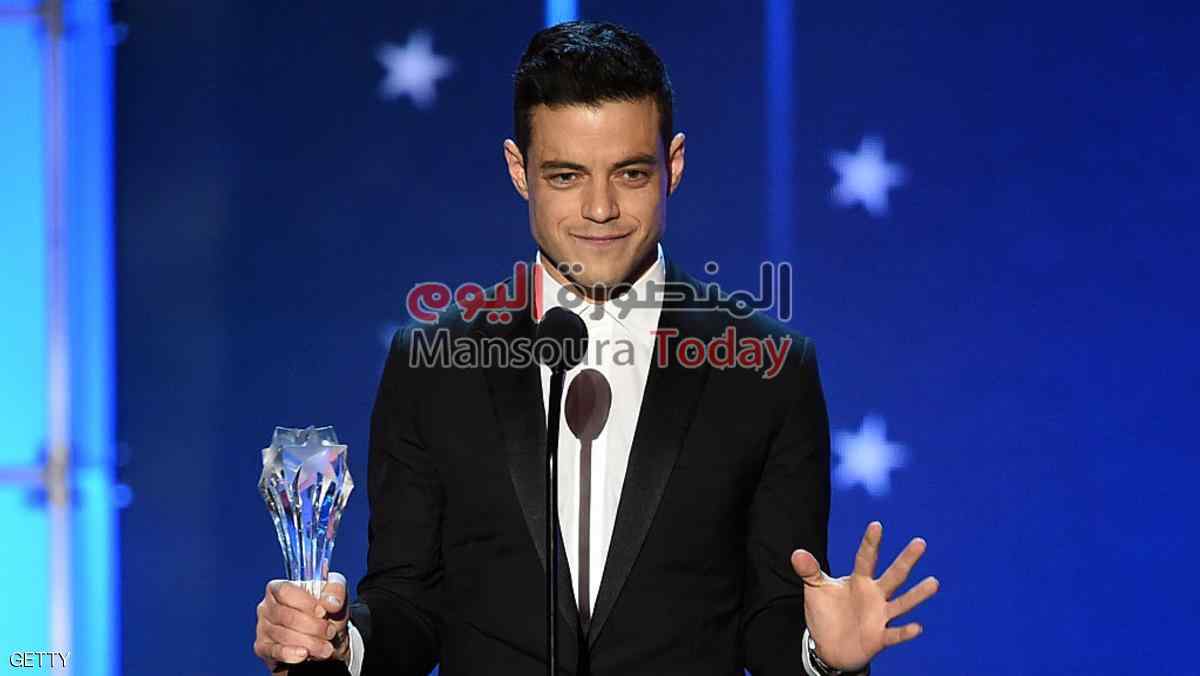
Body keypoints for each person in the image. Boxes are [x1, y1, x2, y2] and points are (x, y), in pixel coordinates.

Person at [253, 20, 938, 676]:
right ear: (519, 170)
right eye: (566, 176)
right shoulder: (432, 364)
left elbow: (773, 618)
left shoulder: (768, 370)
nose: (601, 208)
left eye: (630, 173)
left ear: (673, 165)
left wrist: (823, 655)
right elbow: (409, 602)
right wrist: (338, 644)